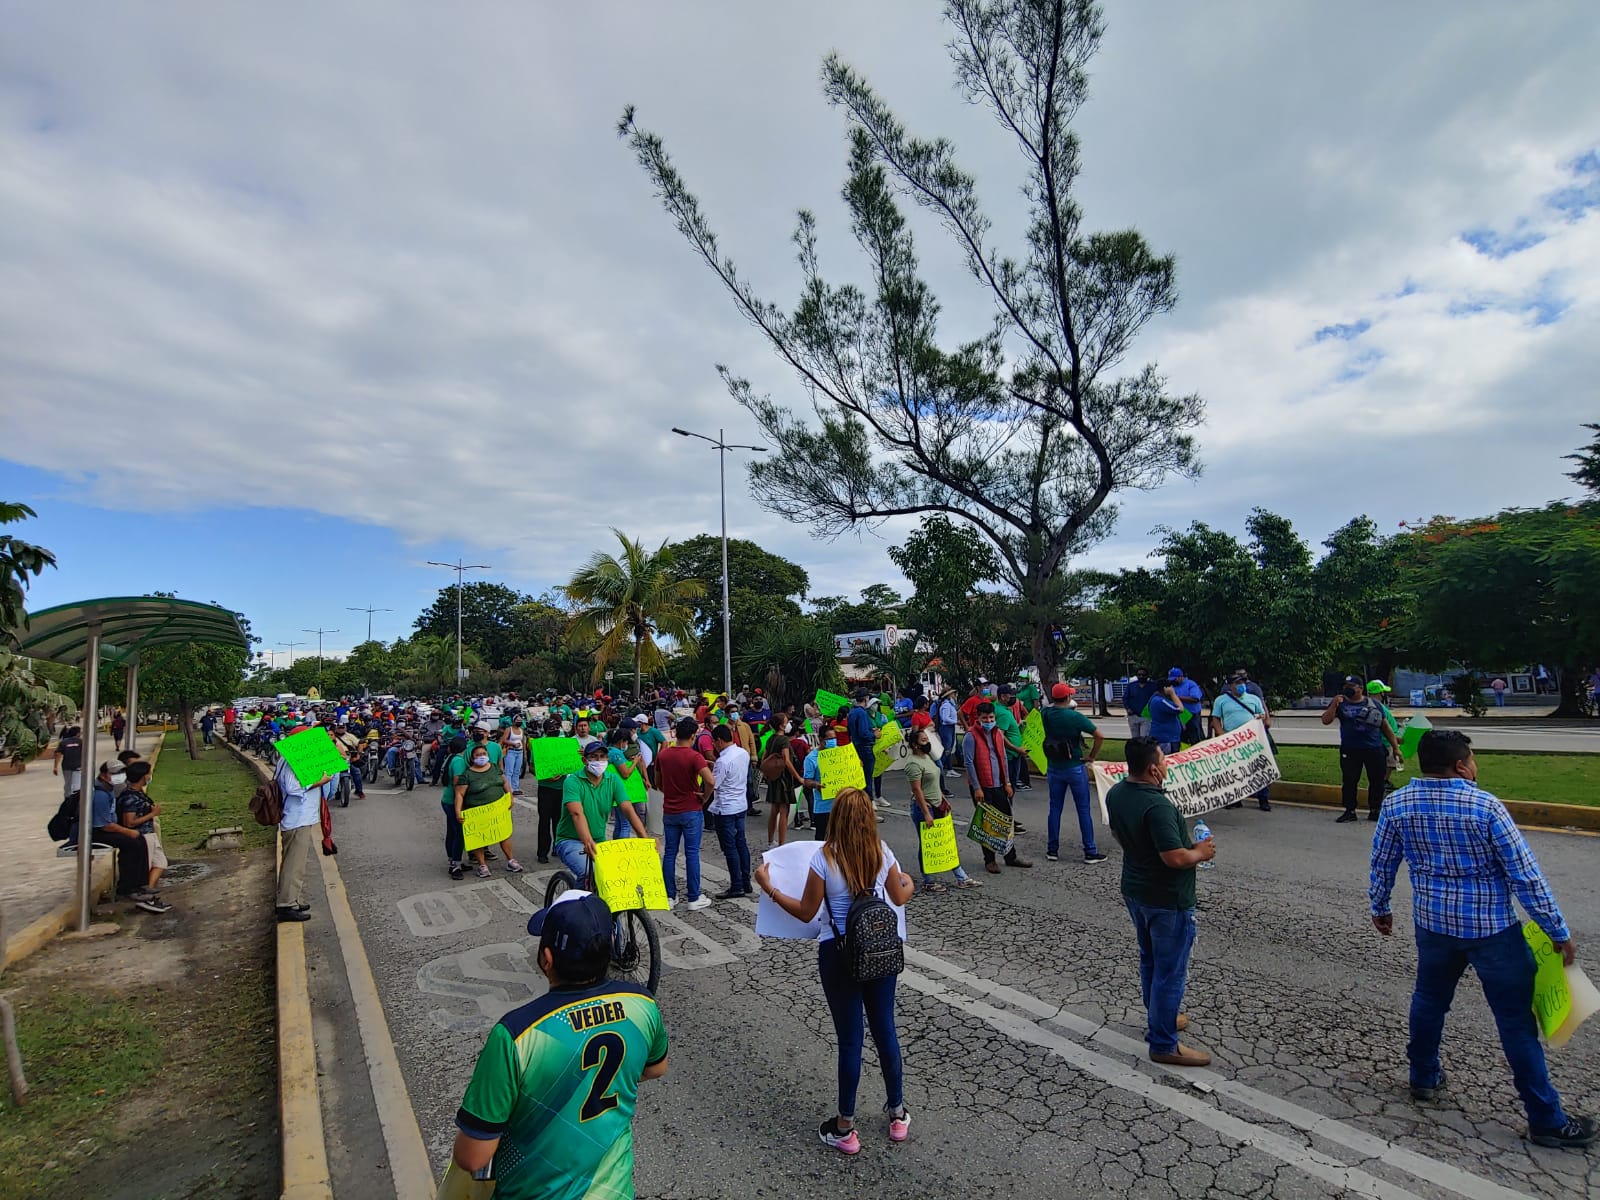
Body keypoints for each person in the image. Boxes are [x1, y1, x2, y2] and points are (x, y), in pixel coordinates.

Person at [1369, 729, 1594, 1149]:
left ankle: (1423, 1077)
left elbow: (1382, 861)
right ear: (1460, 765)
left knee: (1429, 1001)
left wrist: (1380, 906)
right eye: (1472, 758)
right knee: (1515, 1023)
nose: (1475, 765)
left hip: (1433, 925)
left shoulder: (1397, 803)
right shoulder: (1484, 805)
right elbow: (1525, 877)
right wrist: (1557, 931)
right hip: (1492, 931)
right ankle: (1546, 1118)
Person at [444, 890, 669, 1199]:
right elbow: (656, 1067)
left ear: (546, 959)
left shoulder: (514, 1035)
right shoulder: (642, 1004)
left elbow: (472, 1158)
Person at [753, 787, 915, 1154]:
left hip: (839, 954)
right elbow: (900, 895)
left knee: (850, 1040)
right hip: (881, 951)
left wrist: (770, 888)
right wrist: (909, 882)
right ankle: (897, 1113)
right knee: (885, 1029)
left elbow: (807, 911)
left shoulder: (825, 858)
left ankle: (845, 1127)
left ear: (837, 817)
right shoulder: (881, 850)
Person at [1105, 737, 1214, 1066]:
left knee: (1150, 960)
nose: (1167, 764)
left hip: (1136, 891)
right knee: (1170, 970)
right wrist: (1201, 852)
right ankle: (1164, 1043)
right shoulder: (1158, 806)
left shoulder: (1116, 793)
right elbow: (1174, 857)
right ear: (1153, 769)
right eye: (1164, 760)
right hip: (1166, 899)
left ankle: (1160, 1017)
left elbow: (1122, 834)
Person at [74, 760, 167, 914]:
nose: (119, 777)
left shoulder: (110, 790)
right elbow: (105, 824)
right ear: (104, 775)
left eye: (121, 773)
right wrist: (128, 831)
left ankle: (139, 885)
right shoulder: (100, 795)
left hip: (107, 829)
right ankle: (128, 887)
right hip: (96, 832)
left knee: (137, 843)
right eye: (114, 774)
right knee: (133, 842)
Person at [553, 740, 651, 885]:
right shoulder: (572, 781)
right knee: (589, 873)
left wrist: (645, 840)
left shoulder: (613, 780)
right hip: (570, 840)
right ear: (584, 760)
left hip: (599, 840)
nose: (599, 760)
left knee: (617, 874)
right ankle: (578, 905)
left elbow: (628, 810)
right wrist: (587, 841)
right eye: (594, 756)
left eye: (603, 756)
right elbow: (577, 814)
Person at [1041, 683, 1107, 864]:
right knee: (1083, 809)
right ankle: (1090, 851)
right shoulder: (1075, 717)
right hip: (1075, 766)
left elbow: (1047, 709)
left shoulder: (1045, 714)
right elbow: (1099, 736)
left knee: (1055, 808)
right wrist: (1091, 757)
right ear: (1068, 698)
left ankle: (1052, 849)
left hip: (1054, 765)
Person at [962, 701, 1032, 874]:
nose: (989, 720)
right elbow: (969, 763)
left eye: (991, 717)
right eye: (985, 718)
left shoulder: (998, 734)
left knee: (1006, 819)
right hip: (982, 786)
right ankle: (990, 860)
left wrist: (1007, 782)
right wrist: (977, 787)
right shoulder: (971, 736)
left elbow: (1003, 760)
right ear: (978, 718)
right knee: (987, 823)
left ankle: (1011, 856)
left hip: (999, 784)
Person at [1322, 677, 1403, 823]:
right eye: (1346, 685)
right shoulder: (1341, 704)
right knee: (1349, 780)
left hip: (1374, 749)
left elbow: (1386, 728)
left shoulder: (1374, 704)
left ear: (1360, 688)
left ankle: (1375, 810)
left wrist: (1396, 748)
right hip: (1350, 749)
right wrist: (1334, 704)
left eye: (1351, 685)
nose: (1348, 688)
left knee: (1377, 781)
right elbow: (1326, 720)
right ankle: (1350, 810)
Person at [903, 728, 974, 892]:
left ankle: (961, 877)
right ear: (915, 745)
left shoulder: (927, 757)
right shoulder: (913, 764)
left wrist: (943, 799)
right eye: (923, 740)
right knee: (927, 844)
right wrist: (927, 813)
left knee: (945, 841)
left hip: (937, 804)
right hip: (924, 808)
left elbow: (933, 782)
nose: (927, 742)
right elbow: (917, 790)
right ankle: (928, 881)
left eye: (927, 739)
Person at [275, 735, 336, 922]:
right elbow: (294, 788)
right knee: (293, 864)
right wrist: (321, 780)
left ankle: (293, 899)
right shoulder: (293, 761)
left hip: (299, 818)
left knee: (296, 864)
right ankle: (286, 905)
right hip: (296, 819)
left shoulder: (288, 759)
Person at [658, 717, 715, 910]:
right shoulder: (694, 756)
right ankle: (693, 896)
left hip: (670, 810)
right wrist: (704, 797)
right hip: (691, 809)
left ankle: (669, 896)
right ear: (692, 736)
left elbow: (658, 782)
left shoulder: (663, 755)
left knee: (670, 853)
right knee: (691, 853)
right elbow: (711, 781)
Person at [454, 739, 523, 880]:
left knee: (504, 835)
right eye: (478, 755)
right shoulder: (468, 774)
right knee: (479, 839)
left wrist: (510, 797)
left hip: (498, 810)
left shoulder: (495, 768)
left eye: (483, 753)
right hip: (477, 812)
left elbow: (505, 783)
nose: (481, 756)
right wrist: (458, 811)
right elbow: (459, 794)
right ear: (472, 758)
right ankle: (482, 865)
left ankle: (511, 860)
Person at [1210, 675, 1272, 811]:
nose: (1241, 685)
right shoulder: (1221, 701)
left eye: (1243, 682)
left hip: (1251, 742)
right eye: (1237, 683)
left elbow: (1262, 717)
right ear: (1230, 685)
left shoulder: (1254, 699)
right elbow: (1216, 720)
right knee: (1233, 771)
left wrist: (1261, 718)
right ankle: (1234, 799)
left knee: (1259, 769)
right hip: (1232, 741)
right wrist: (1222, 737)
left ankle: (1263, 799)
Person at [708, 724, 753, 900]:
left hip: (725, 807)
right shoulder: (743, 753)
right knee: (741, 843)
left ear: (719, 741)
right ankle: (745, 880)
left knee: (730, 848)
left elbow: (714, 784)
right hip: (740, 804)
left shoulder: (723, 761)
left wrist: (703, 797)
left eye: (714, 742)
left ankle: (736, 885)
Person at [116, 760, 169, 894]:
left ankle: (149, 889)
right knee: (146, 866)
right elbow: (129, 822)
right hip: (142, 835)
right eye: (148, 774)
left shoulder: (138, 793)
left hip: (149, 833)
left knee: (160, 863)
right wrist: (152, 814)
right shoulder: (130, 797)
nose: (150, 776)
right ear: (143, 776)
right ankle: (144, 891)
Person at [760, 720, 801, 847]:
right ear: (781, 725)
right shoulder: (783, 740)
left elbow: (764, 758)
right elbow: (787, 761)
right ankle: (782, 844)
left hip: (774, 777)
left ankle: (770, 841)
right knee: (784, 811)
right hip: (784, 778)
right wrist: (798, 777)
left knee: (774, 810)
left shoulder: (771, 738)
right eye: (785, 721)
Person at [437, 734, 471, 878]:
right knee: (459, 833)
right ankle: (455, 865)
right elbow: (458, 781)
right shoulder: (459, 761)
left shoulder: (449, 759)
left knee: (451, 831)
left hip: (447, 798)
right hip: (453, 801)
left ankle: (453, 860)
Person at [846, 690, 882, 805]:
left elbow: (854, 730)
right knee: (867, 779)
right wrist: (873, 734)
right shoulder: (861, 713)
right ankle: (869, 805)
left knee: (860, 778)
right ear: (866, 699)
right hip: (865, 747)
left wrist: (869, 730)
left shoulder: (852, 712)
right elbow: (863, 733)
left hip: (856, 747)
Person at [1168, 669, 1204, 746]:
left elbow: (1195, 699)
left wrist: (1176, 697)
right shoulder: (1172, 686)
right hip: (1179, 716)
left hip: (1192, 716)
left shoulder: (1191, 684)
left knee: (1195, 738)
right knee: (1182, 739)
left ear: (1181, 677)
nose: (1173, 681)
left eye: (1175, 679)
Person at [1146, 683, 1186, 753]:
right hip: (1167, 739)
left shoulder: (1156, 698)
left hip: (1168, 737)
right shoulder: (1160, 701)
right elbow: (1180, 708)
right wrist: (1172, 694)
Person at [1121, 668, 1157, 741]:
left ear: (1147, 676)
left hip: (1146, 716)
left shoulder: (1153, 686)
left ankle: (1143, 752)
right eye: (1139, 675)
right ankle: (1136, 752)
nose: (1141, 676)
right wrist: (1128, 708)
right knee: (1135, 739)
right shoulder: (1131, 686)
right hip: (1133, 716)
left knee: (1144, 738)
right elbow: (1125, 698)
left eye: (1143, 675)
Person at [52, 725, 84, 802]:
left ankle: (67, 798)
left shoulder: (64, 742)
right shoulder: (81, 742)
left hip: (66, 766)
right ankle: (76, 800)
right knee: (77, 784)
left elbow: (58, 754)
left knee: (68, 783)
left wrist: (55, 767)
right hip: (78, 766)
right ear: (77, 733)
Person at [500, 715, 527, 797]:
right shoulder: (509, 729)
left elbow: (523, 741)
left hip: (520, 752)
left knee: (517, 771)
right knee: (509, 771)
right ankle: (509, 788)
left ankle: (515, 788)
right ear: (513, 721)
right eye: (517, 720)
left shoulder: (521, 730)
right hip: (511, 751)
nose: (519, 721)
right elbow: (504, 739)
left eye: (520, 720)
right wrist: (513, 744)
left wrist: (524, 752)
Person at [936, 689, 960, 776]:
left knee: (949, 749)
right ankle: (939, 767)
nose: (955, 695)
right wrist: (955, 721)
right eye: (954, 694)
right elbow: (945, 718)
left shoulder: (950, 705)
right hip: (946, 728)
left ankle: (949, 768)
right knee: (947, 749)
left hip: (950, 727)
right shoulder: (946, 705)